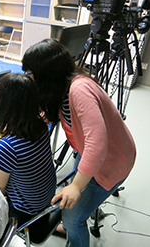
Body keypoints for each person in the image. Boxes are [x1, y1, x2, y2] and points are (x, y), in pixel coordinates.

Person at [22, 39, 136, 247]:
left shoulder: (79, 90)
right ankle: (68, 225)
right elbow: (52, 114)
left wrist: (76, 186)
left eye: (31, 74)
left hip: (112, 161)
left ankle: (72, 227)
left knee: (74, 217)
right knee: (75, 195)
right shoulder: (63, 86)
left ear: (47, 74)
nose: (29, 79)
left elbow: (97, 143)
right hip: (91, 153)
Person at [0, 73, 57, 226]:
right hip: (46, 201)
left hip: (25, 213)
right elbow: (24, 162)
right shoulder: (41, 126)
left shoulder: (6, 147)